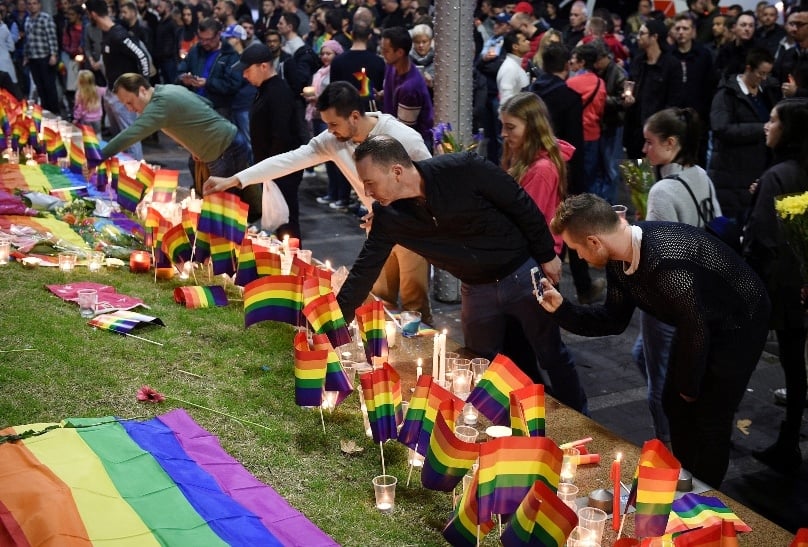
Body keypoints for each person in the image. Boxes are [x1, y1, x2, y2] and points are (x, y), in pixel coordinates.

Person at [332, 135, 588, 413]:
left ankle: (581, 415)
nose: (367, 193)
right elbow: (363, 270)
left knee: (551, 353)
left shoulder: (463, 168)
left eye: (370, 182)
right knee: (479, 363)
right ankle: (498, 427)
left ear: (396, 171)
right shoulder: (389, 217)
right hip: (476, 289)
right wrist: (332, 326)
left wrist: (547, 254)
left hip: (521, 272)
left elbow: (520, 203)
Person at [540, 193, 770, 487]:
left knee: (710, 417)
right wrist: (562, 309)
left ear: (594, 241)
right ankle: (685, 478)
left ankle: (705, 498)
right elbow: (613, 319)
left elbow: (695, 329)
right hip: (699, 319)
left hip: (741, 320)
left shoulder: (664, 263)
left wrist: (689, 386)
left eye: (576, 250)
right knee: (674, 403)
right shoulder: (619, 259)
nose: (580, 258)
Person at [202, 82, 434, 324]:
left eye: (333, 124)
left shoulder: (403, 138)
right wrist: (237, 179)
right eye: (326, 124)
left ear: (354, 116)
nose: (329, 130)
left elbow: (432, 183)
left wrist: (398, 213)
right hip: (378, 231)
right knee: (379, 302)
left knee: (414, 306)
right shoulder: (334, 139)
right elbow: (290, 160)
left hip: (412, 229)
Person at [632, 107, 723, 447]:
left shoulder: (662, 191)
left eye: (649, 142)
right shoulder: (700, 173)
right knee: (642, 356)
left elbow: (658, 254)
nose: (645, 150)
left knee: (660, 382)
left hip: (667, 300)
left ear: (671, 143)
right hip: (703, 289)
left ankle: (668, 447)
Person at [744, 97, 808, 474]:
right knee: (795, 366)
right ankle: (788, 438)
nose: (766, 126)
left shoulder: (777, 176)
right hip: (798, 282)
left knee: (742, 352)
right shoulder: (791, 171)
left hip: (776, 286)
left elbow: (762, 240)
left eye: (773, 120)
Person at [100, 73, 260, 223]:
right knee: (219, 207)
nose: (129, 109)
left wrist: (97, 157)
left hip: (224, 149)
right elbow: (206, 104)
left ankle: (231, 248)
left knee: (223, 211)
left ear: (142, 90)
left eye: (130, 102)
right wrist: (195, 144)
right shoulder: (169, 89)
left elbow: (130, 135)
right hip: (225, 145)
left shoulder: (158, 106)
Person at [235, 43, 304, 239]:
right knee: (280, 220)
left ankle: (293, 263)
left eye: (247, 70)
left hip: (282, 169)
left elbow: (282, 136)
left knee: (286, 220)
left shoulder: (278, 92)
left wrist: (271, 170)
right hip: (272, 168)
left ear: (263, 66)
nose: (245, 75)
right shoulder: (265, 89)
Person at [709, 47, 777, 222]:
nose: (764, 78)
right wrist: (761, 128)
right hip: (731, 172)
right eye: (761, 73)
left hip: (756, 170)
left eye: (767, 74)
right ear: (748, 69)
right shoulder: (727, 94)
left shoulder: (766, 92)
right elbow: (720, 128)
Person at [85, 0, 151, 160]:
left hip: (125, 95)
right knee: (120, 140)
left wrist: (144, 86)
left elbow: (142, 56)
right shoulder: (108, 34)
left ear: (92, 14)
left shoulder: (119, 34)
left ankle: (137, 176)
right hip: (112, 91)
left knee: (130, 138)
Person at [307, 39, 351, 211]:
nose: (325, 57)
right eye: (323, 53)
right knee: (327, 157)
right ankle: (332, 192)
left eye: (329, 53)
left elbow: (336, 95)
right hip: (318, 115)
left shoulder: (337, 71)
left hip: (332, 116)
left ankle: (342, 196)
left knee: (338, 158)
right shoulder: (320, 71)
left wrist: (319, 99)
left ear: (337, 54)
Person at [380, 26, 433, 151]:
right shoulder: (391, 66)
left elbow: (404, 131)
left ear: (399, 52)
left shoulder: (411, 87)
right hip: (393, 132)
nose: (382, 53)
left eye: (386, 50)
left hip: (413, 144)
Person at [329, 17, 384, 113]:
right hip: (370, 113)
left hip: (345, 111)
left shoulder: (337, 61)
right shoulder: (378, 61)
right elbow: (380, 90)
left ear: (351, 34)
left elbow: (333, 91)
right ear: (369, 36)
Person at [23, 0, 59, 115]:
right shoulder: (28, 19)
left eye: (34, 3)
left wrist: (53, 54)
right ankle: (45, 112)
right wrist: (26, 56)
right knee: (40, 87)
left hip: (45, 57)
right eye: (29, 4)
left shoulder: (45, 18)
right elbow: (28, 40)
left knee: (49, 86)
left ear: (39, 5)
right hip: (33, 57)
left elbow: (52, 37)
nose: (32, 6)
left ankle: (55, 112)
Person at [497, 30, 531, 105]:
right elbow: (505, 100)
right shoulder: (510, 68)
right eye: (524, 41)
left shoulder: (514, 65)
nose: (528, 42)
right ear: (515, 46)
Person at [73, 69, 105, 134]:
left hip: (86, 119)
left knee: (88, 137)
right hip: (97, 119)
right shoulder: (98, 90)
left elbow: (79, 108)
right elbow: (108, 92)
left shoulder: (79, 93)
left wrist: (76, 119)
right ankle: (100, 144)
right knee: (98, 134)